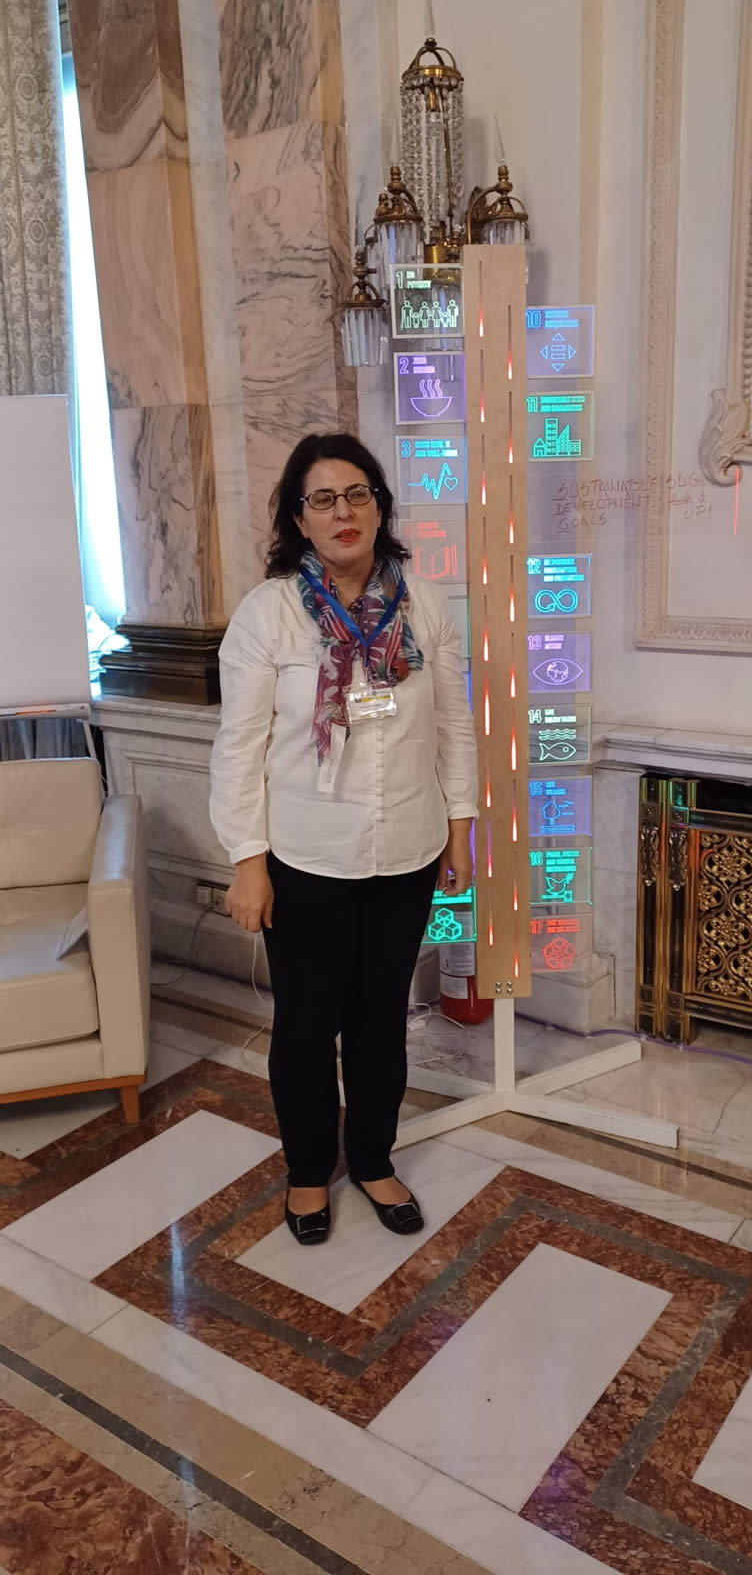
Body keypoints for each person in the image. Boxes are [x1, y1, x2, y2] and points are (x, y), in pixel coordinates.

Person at [209, 433, 477, 1247]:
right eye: (322, 499)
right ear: (300, 519)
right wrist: (247, 864)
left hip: (406, 848)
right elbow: (239, 747)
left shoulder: (424, 604)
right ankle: (306, 1170)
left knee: (380, 1019)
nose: (343, 512)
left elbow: (454, 725)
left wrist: (459, 831)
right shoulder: (269, 614)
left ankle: (371, 1158)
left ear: (380, 507)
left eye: (357, 494)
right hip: (306, 857)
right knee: (306, 1023)